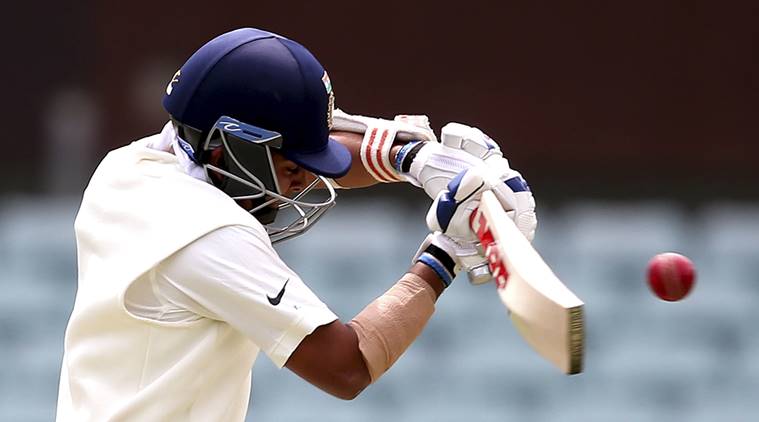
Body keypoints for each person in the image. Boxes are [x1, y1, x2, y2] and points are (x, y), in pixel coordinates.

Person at [55, 28, 537, 421]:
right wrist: (446, 253)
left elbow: (315, 144)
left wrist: (416, 158)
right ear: (232, 147)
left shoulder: (125, 168)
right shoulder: (209, 235)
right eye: (292, 171)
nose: (300, 186)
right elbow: (347, 367)